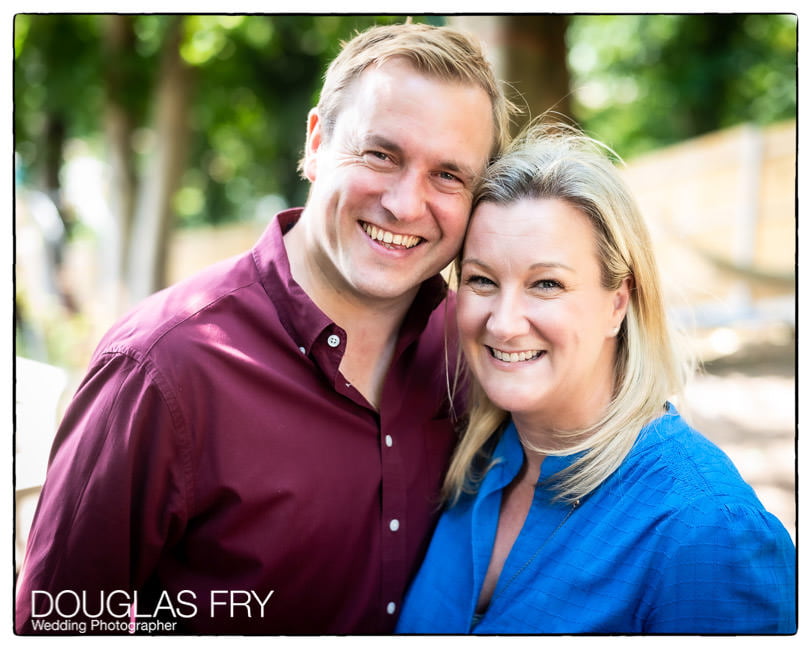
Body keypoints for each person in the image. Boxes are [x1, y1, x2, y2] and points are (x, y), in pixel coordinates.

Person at [15, 22, 515, 635]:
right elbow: (58, 626)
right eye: (381, 154)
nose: (407, 205)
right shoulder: (159, 368)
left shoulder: (475, 351)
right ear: (315, 142)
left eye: (448, 175)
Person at [395, 123, 797, 634]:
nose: (503, 321)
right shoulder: (469, 463)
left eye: (546, 283)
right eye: (482, 280)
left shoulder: (709, 529)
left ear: (618, 303)